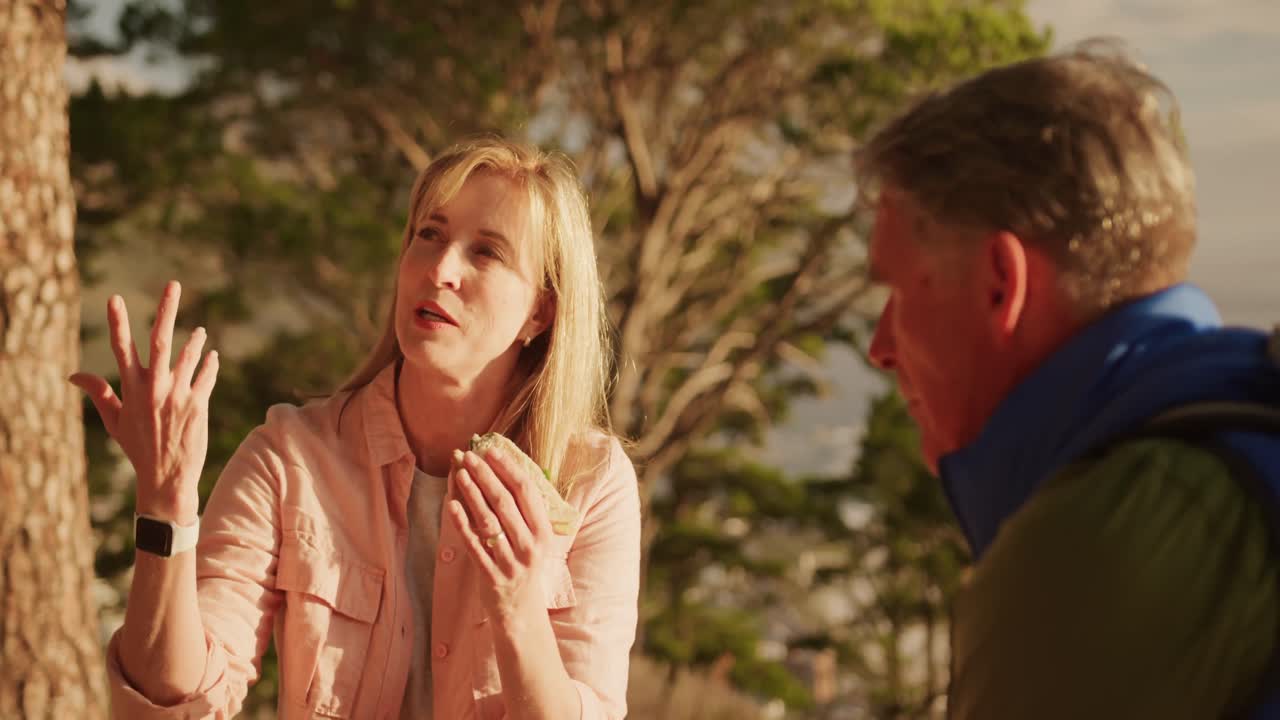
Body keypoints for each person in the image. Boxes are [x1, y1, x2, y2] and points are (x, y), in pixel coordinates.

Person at [72, 138, 641, 719]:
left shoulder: (590, 485)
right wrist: (164, 508)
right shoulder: (290, 456)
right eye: (430, 235)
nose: (441, 269)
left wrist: (519, 608)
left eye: (487, 253)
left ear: (540, 312)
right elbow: (179, 704)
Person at [855, 41, 1280, 719]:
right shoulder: (1237, 428)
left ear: (1001, 284)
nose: (881, 349)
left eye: (900, 290)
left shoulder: (1094, 553)